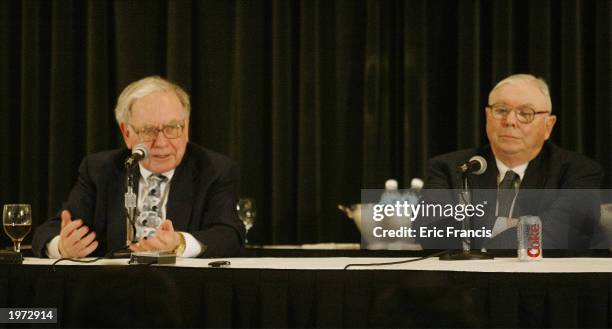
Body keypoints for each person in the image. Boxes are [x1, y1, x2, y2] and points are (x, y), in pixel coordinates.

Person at [32, 76, 245, 258]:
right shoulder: (100, 169)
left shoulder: (215, 169)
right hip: (108, 289)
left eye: (173, 128)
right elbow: (48, 231)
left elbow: (230, 235)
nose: (161, 142)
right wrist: (61, 246)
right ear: (127, 133)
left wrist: (179, 243)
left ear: (186, 126)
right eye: (149, 130)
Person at [416, 74, 604, 251]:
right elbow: (431, 232)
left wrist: (483, 239)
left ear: (548, 125)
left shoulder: (579, 172)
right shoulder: (451, 168)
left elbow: (561, 235)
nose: (510, 121)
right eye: (501, 110)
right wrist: (508, 226)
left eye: (525, 113)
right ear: (487, 116)